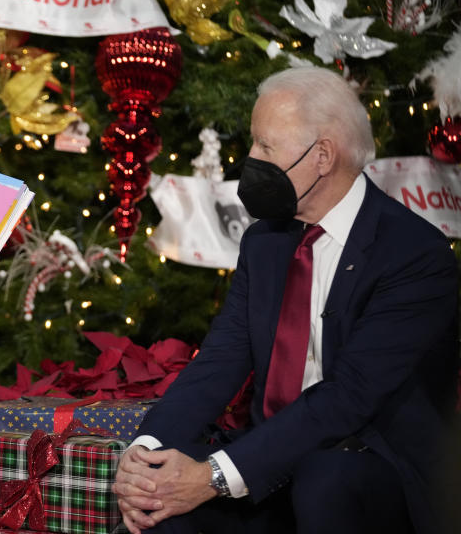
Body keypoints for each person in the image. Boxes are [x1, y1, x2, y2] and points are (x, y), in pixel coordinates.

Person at [113, 67, 458, 534]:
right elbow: (218, 362)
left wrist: (214, 475)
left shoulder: (414, 255)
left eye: (265, 146)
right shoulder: (266, 243)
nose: (250, 159)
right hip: (271, 459)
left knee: (325, 477)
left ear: (322, 156)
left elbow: (348, 398)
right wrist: (145, 453)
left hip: (372, 466)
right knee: (159, 492)